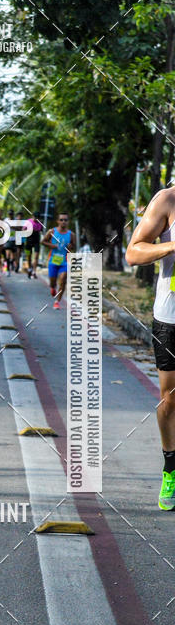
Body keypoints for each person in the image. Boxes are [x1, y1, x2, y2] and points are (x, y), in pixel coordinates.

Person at [126, 187, 175, 509]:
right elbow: (133, 252)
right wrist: (171, 245)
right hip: (172, 317)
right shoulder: (168, 200)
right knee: (170, 398)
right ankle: (171, 467)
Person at [41, 212, 75, 308]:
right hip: (53, 261)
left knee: (63, 279)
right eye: (61, 220)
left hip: (64, 261)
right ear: (58, 221)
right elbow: (42, 242)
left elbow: (73, 246)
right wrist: (52, 245)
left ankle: (57, 302)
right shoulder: (52, 232)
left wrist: (70, 246)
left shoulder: (71, 234)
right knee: (53, 282)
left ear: (68, 222)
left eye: (65, 220)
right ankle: (53, 288)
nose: (63, 222)